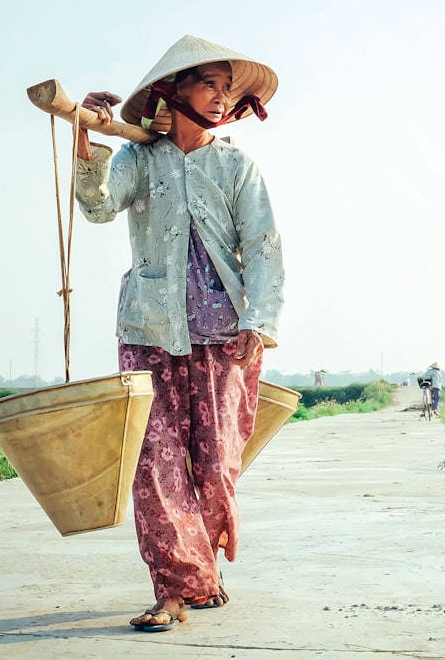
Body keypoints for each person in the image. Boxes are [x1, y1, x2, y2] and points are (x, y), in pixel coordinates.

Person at [73, 35, 284, 632]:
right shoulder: (139, 159)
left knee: (214, 464)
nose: (220, 98)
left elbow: (263, 247)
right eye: (208, 84)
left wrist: (259, 324)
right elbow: (96, 206)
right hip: (149, 330)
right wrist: (88, 135)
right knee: (156, 465)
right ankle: (172, 590)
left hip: (222, 333)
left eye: (226, 88)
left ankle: (202, 570)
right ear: (174, 91)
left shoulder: (236, 165)